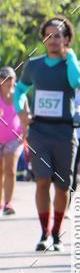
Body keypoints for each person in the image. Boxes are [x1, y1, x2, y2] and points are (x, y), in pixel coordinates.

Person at [13, 16, 80, 251]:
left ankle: (57, 234)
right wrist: (21, 112)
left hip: (65, 131)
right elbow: (20, 91)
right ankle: (44, 233)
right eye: (49, 36)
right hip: (39, 132)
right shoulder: (34, 65)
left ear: (66, 39)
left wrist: (71, 57)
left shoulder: (74, 64)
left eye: (58, 36)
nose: (53, 40)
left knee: (63, 185)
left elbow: (77, 81)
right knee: (42, 180)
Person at [0, 66, 25, 215]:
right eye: (4, 79)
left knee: (10, 169)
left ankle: (8, 203)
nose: (8, 82)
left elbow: (26, 114)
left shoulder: (19, 95)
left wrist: (26, 133)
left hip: (15, 138)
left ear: (15, 80)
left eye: (10, 79)